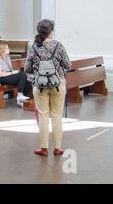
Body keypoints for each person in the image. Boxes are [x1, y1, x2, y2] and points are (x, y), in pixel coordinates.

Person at [25, 19, 72, 157]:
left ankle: (43, 148)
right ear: (51, 31)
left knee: (43, 116)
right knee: (57, 116)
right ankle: (58, 148)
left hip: (40, 85)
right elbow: (68, 65)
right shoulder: (59, 45)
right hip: (58, 84)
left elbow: (27, 67)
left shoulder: (34, 47)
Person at [0, 42, 32, 108]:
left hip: (9, 76)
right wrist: (12, 73)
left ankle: (20, 100)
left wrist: (14, 72)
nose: (9, 49)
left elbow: (10, 69)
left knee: (28, 83)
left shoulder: (7, 58)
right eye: (7, 48)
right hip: (2, 78)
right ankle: (20, 95)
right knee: (23, 75)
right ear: (3, 50)